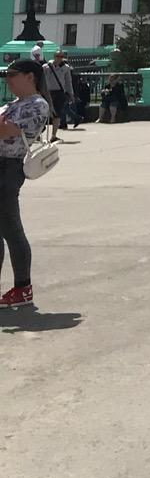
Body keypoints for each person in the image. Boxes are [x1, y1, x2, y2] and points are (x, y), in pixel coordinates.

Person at [0, 58, 51, 307]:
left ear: (30, 76)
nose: (7, 80)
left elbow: (6, 131)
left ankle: (23, 287)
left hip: (8, 168)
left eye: (12, 74)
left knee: (11, 228)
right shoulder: (14, 104)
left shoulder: (36, 105)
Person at [44, 52, 79, 133]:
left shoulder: (66, 68)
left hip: (60, 92)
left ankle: (54, 135)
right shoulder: (46, 67)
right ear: (54, 56)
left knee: (57, 113)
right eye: (57, 56)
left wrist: (71, 94)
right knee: (45, 112)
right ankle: (40, 131)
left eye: (61, 56)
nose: (59, 58)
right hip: (48, 92)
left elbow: (68, 82)